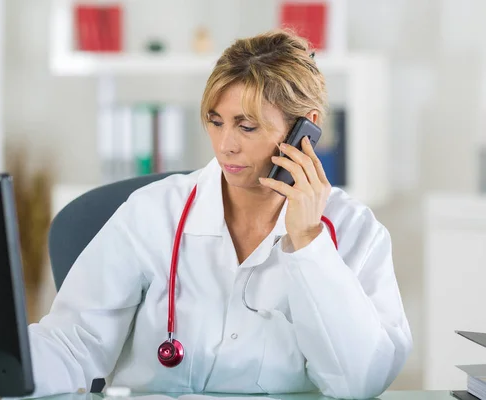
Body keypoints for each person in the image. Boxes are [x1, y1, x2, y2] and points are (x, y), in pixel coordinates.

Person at [27, 29, 413, 399]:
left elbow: (361, 380)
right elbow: (74, 343)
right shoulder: (153, 212)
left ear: (306, 127)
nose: (225, 145)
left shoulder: (357, 231)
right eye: (215, 122)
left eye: (246, 126)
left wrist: (309, 241)